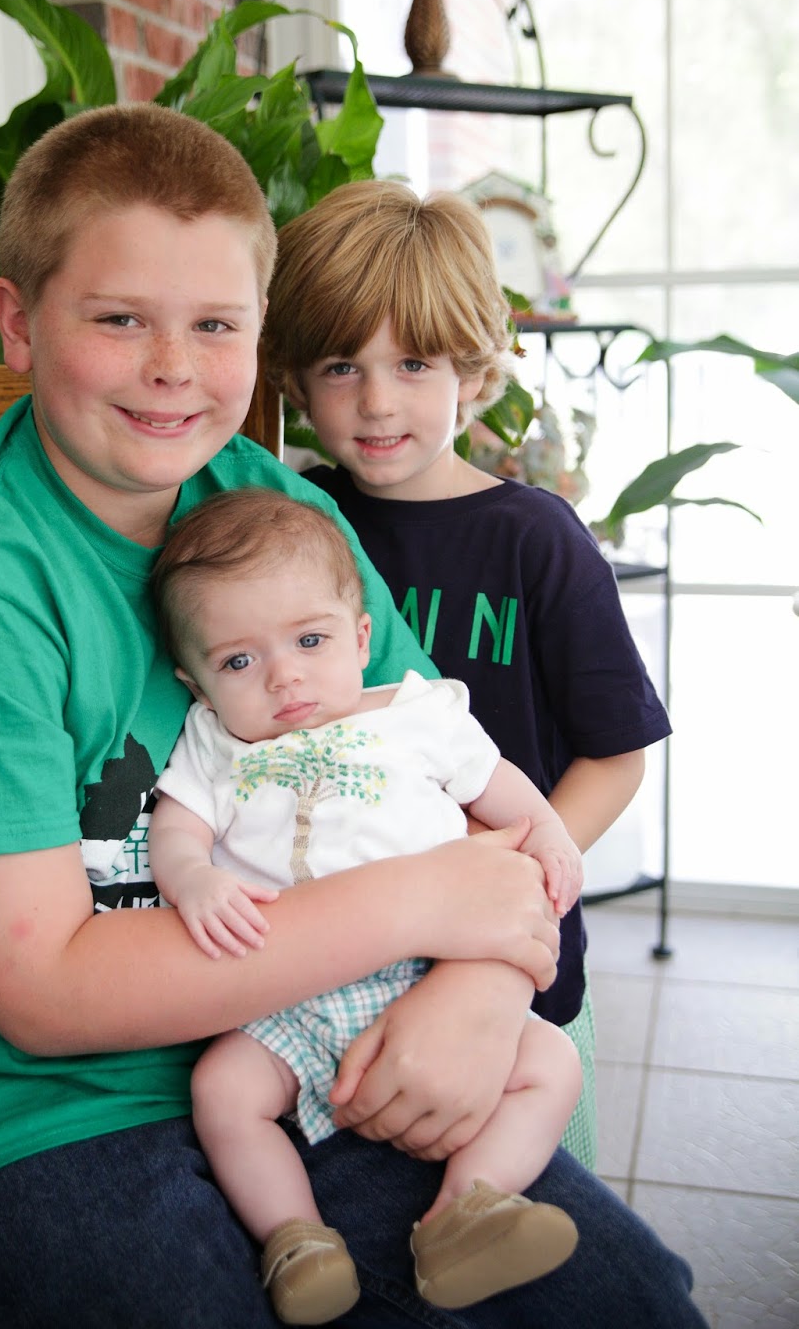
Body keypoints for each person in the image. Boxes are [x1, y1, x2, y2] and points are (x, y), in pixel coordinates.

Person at [0, 104, 705, 1329]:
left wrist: (479, 986)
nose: (174, 367)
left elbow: (438, 772)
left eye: (216, 325)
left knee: (627, 1304)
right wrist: (421, 906)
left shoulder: (279, 517)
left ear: (258, 329)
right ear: (17, 322)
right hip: (12, 1109)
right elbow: (44, 993)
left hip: (305, 1037)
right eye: (119, 319)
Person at [263, 179, 673, 1173]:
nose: (376, 401)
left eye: (413, 362)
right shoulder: (294, 528)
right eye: (341, 365)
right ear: (297, 382)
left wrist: (517, 884)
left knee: (528, 1208)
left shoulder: (538, 539)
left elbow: (617, 755)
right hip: (338, 973)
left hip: (513, 977)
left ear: (474, 366)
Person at [149, 488, 584, 1322]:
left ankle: (468, 1211)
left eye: (310, 641)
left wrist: (551, 835)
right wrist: (194, 879)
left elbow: (501, 791)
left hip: (427, 978)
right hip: (288, 995)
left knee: (552, 1064)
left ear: (360, 637)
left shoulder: (419, 714)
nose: (284, 676)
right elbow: (178, 829)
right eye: (237, 662)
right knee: (224, 1092)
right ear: (194, 682)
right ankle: (296, 1240)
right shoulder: (216, 743)